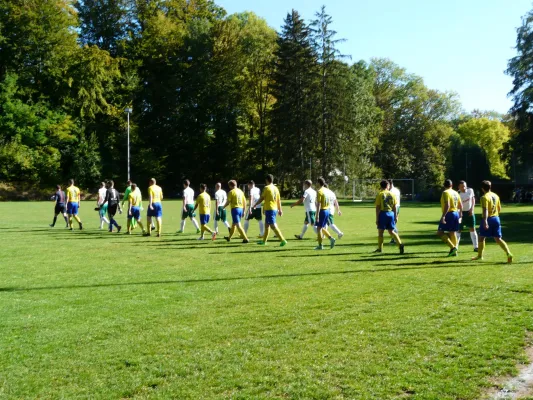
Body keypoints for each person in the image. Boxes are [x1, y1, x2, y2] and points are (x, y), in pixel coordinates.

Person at [472, 181, 513, 263]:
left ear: (482, 188)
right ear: (490, 187)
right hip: (496, 218)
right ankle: (508, 253)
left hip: (489, 218)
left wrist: (485, 220)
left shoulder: (484, 197)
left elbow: (485, 210)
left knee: (481, 237)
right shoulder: (496, 195)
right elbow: (499, 208)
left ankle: (480, 256)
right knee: (498, 239)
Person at [255, 174, 287, 247]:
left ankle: (283, 240)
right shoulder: (276, 188)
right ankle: (264, 241)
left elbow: (262, 198)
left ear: (267, 180)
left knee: (272, 225)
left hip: (270, 209)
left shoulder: (266, 188)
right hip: (273, 208)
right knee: (266, 225)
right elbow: (278, 200)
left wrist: (255, 204)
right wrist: (280, 209)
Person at [374, 180, 404, 254]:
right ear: (387, 186)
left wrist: (377, 219)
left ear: (381, 186)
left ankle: (380, 249)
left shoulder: (380, 194)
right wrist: (396, 216)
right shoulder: (392, 194)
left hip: (383, 214)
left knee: (380, 232)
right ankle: (400, 244)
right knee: (391, 231)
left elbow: (378, 207)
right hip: (391, 214)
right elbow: (394, 207)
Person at [437, 179, 462, 257]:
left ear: (444, 185)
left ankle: (453, 247)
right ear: (451, 185)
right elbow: (460, 205)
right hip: (456, 213)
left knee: (440, 232)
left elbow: (447, 205)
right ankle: (454, 251)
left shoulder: (445, 192)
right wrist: (460, 215)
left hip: (449, 213)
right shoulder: (455, 193)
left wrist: (443, 216)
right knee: (452, 232)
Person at [314, 178, 336, 250]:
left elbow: (319, 204)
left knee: (318, 228)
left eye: (316, 182)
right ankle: (331, 239)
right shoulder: (326, 190)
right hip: (327, 210)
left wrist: (317, 215)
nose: (316, 184)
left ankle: (320, 245)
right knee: (322, 227)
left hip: (322, 210)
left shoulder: (319, 191)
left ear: (319, 183)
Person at [457, 180, 478, 252]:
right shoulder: (457, 194)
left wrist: (472, 209)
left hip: (470, 213)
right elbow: (457, 205)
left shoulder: (470, 190)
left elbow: (473, 199)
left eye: (465, 186)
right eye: (462, 186)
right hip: (461, 213)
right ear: (459, 187)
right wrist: (459, 213)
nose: (464, 188)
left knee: (472, 228)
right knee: (458, 230)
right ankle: (455, 247)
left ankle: (476, 247)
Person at [388, 179, 401, 244]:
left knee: (392, 224)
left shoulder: (391, 191)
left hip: (393, 207)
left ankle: (395, 238)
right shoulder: (397, 190)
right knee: (394, 223)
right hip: (398, 207)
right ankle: (394, 238)